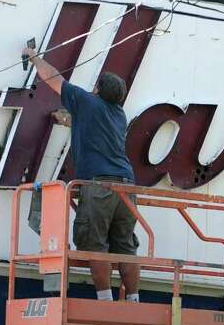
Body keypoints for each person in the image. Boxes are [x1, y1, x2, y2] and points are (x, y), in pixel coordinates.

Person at [22, 44, 141, 301]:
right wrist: (67, 120)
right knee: (125, 248)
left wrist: (33, 57)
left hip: (100, 186)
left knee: (94, 245)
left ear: (96, 90)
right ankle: (133, 301)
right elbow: (91, 128)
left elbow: (54, 78)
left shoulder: (86, 101)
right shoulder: (118, 115)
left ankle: (105, 303)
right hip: (127, 187)